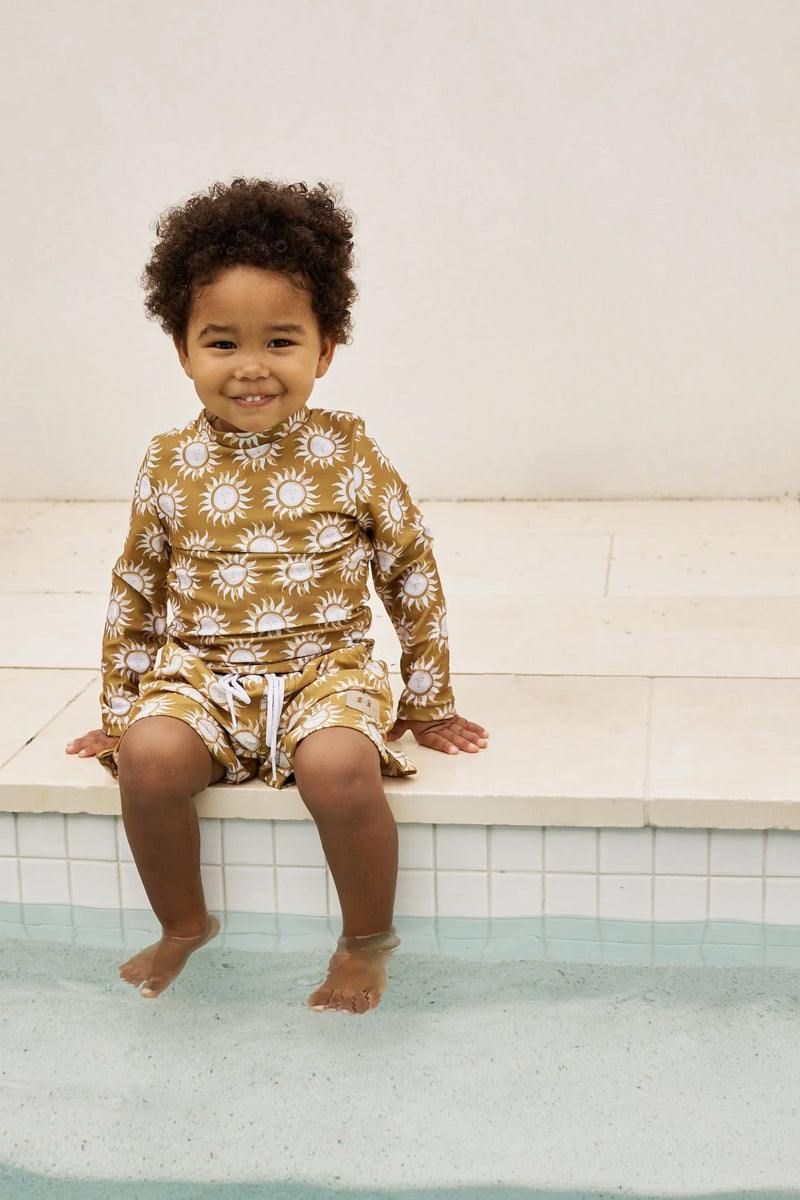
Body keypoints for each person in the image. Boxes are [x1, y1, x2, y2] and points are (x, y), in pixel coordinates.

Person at [66, 178, 488, 1014]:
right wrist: (121, 709)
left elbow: (409, 569)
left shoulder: (349, 453)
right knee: (147, 762)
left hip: (325, 672)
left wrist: (428, 698)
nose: (251, 366)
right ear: (182, 350)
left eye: (282, 341)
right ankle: (184, 923)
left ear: (325, 350)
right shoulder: (167, 462)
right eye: (221, 342)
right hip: (203, 676)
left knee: (339, 770)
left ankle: (365, 939)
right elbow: (136, 587)